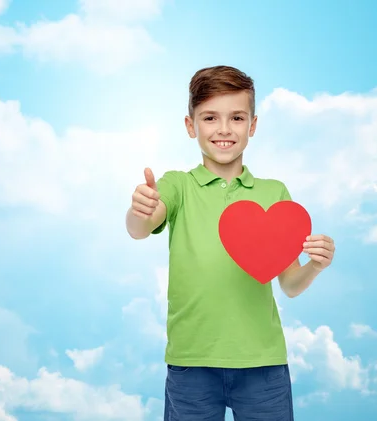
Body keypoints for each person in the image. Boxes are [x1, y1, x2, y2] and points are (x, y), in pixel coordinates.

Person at [125, 65, 335, 421]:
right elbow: (140, 228)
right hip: (190, 362)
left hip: (263, 365)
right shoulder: (177, 186)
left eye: (236, 117)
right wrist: (140, 209)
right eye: (210, 118)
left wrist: (314, 265)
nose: (224, 129)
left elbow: (289, 284)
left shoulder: (275, 194)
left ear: (252, 125)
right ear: (191, 126)